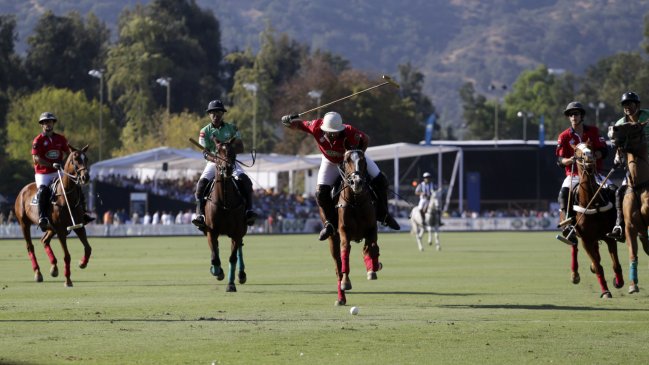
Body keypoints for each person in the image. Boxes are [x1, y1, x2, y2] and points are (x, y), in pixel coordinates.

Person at [281, 111, 400, 241]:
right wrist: (287, 122)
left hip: (351, 160)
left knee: (381, 180)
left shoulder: (349, 131)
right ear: (323, 128)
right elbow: (297, 125)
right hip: (330, 162)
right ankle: (330, 224)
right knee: (321, 193)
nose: (332, 135)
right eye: (329, 132)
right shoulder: (315, 126)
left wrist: (359, 156)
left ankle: (384, 215)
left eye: (335, 132)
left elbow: (365, 139)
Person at [191, 100, 258, 229]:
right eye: (213, 113)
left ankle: (249, 211)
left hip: (230, 161)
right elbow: (205, 153)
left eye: (218, 112)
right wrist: (216, 159)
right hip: (213, 163)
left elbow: (240, 148)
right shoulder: (204, 131)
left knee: (246, 181)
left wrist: (227, 151)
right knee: (200, 185)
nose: (215, 115)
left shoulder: (232, 128)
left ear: (222, 113)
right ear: (209, 114)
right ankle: (200, 215)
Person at [555, 101, 609, 244]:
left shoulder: (593, 131)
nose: (574, 117)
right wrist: (570, 160)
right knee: (564, 192)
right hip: (573, 174)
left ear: (581, 116)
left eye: (576, 114)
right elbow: (559, 160)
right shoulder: (564, 136)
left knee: (613, 190)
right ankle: (568, 225)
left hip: (595, 173)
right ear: (569, 117)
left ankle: (618, 224)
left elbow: (604, 150)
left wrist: (592, 155)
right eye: (571, 114)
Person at [31, 112, 94, 232]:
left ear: (53, 123)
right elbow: (36, 159)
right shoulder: (38, 140)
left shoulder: (60, 138)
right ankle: (43, 217)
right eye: (45, 122)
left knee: (75, 186)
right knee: (43, 191)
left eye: (49, 122)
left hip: (58, 171)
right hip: (43, 173)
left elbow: (69, 154)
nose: (47, 124)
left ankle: (83, 214)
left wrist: (66, 162)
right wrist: (51, 164)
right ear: (42, 125)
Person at [606, 92, 649, 242]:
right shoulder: (619, 124)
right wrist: (618, 155)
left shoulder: (647, 116)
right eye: (625, 105)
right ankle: (619, 226)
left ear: (637, 105)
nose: (627, 108)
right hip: (632, 165)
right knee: (619, 192)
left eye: (630, 104)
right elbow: (616, 142)